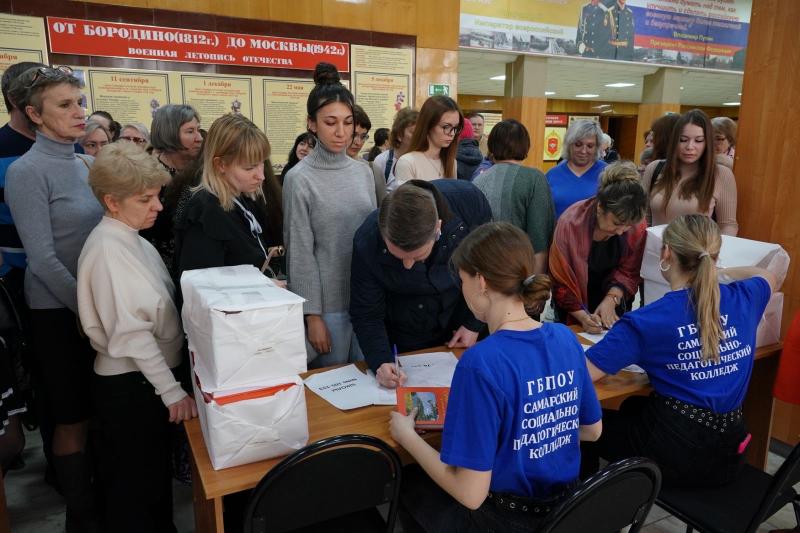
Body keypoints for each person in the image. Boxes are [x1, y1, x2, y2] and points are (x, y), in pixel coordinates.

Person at [389, 222, 602, 532]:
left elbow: (471, 494)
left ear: (481, 282)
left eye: (462, 280)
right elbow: (592, 430)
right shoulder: (565, 338)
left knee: (410, 485)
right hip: (565, 511)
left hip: (507, 518)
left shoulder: (480, 363)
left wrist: (407, 437)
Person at [582, 214, 778, 486]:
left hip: (678, 454)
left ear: (667, 253)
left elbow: (582, 376)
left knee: (584, 426)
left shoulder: (648, 320)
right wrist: (721, 274)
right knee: (633, 406)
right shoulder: (745, 297)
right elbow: (768, 275)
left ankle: (589, 510)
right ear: (713, 257)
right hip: (729, 452)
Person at [77, 141, 197, 532]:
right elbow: (132, 334)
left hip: (145, 382)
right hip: (133, 386)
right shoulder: (109, 250)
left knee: (149, 483)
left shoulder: (129, 238)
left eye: (158, 196)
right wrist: (171, 390)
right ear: (112, 201)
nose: (158, 207)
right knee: (135, 488)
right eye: (145, 199)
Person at [6, 65, 104, 532]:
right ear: (35, 114)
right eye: (64, 105)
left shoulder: (86, 163)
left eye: (79, 103)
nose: (78, 112)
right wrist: (87, 310)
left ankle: (103, 503)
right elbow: (42, 259)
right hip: (57, 313)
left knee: (101, 412)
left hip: (95, 309)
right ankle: (79, 516)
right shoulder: (27, 172)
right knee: (72, 418)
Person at [351, 179, 492, 387]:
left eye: (417, 257)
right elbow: (366, 312)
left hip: (461, 325)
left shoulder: (468, 202)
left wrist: (474, 323)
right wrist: (381, 360)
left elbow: (490, 266)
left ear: (438, 229)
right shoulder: (368, 239)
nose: (407, 266)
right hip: (407, 333)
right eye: (397, 257)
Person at [283, 62, 376, 367]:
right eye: (330, 122)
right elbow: (300, 252)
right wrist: (312, 316)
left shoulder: (364, 172)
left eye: (348, 123)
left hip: (367, 301)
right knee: (333, 390)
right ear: (312, 124)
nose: (341, 133)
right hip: (329, 307)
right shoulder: (299, 179)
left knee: (369, 383)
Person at [175, 113, 282, 277]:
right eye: (249, 168)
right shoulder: (206, 211)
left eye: (262, 163)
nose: (261, 176)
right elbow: (205, 286)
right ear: (220, 164)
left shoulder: (241, 197)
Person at [549, 162, 647, 333]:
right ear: (600, 207)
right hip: (573, 306)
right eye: (616, 223)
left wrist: (611, 299)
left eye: (627, 226)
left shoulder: (635, 224)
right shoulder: (570, 223)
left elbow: (630, 271)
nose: (620, 231)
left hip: (615, 302)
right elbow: (561, 281)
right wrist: (583, 318)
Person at [473, 119, 555, 279]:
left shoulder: (478, 180)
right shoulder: (534, 179)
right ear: (525, 146)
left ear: (492, 145)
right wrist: (535, 287)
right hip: (521, 273)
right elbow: (539, 238)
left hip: (485, 274)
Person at [642, 109, 738, 236]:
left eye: (698, 140)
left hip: (695, 253)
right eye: (683, 139)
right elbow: (644, 216)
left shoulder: (721, 174)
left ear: (707, 142)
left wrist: (713, 254)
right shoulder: (655, 168)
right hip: (654, 250)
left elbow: (727, 226)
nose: (690, 147)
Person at [142, 104, 203, 271]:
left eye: (198, 130)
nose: (199, 138)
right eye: (190, 132)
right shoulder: (149, 175)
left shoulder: (201, 172)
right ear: (169, 134)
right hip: (156, 267)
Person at [546, 119, 607, 219]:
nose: (583, 151)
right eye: (578, 144)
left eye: (590, 146)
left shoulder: (608, 174)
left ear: (597, 147)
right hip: (559, 233)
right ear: (569, 144)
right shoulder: (552, 175)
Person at [394, 95, 463, 184]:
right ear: (428, 125)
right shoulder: (408, 162)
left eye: (456, 127)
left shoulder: (452, 163)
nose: (452, 133)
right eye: (446, 126)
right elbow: (407, 197)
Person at [371, 108, 418, 193]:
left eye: (421, 133)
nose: (420, 137)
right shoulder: (381, 160)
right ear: (399, 135)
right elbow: (377, 195)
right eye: (414, 133)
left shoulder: (423, 160)